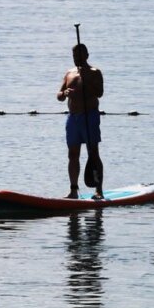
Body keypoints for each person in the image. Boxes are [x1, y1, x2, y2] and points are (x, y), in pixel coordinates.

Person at [57, 42, 104, 200]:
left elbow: (100, 93)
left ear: (87, 56)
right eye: (74, 56)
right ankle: (73, 190)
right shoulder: (69, 73)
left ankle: (98, 190)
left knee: (93, 153)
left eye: (79, 55)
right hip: (73, 118)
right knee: (72, 155)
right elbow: (59, 96)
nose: (76, 58)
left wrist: (87, 81)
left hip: (89, 116)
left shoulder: (95, 72)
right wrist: (64, 92)